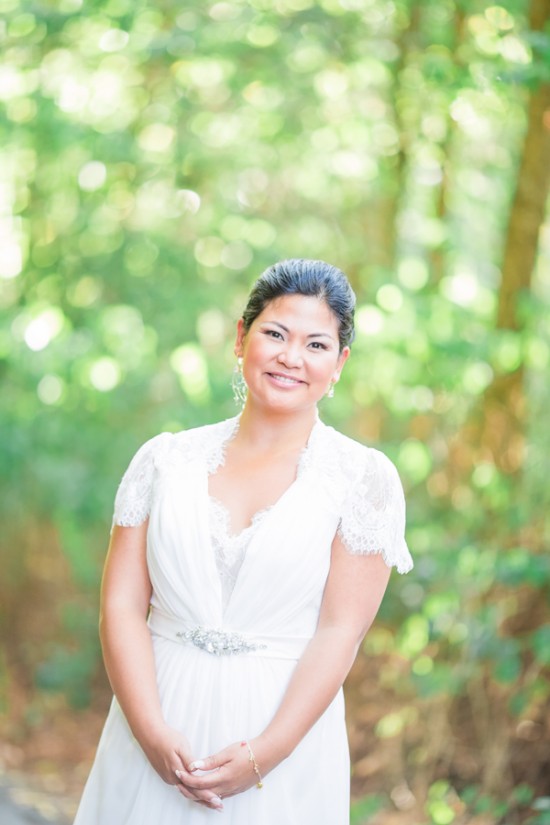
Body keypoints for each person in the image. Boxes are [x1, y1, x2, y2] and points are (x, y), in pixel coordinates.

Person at [73, 258, 413, 825]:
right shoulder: (163, 460)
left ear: (340, 363)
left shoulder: (363, 479)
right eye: (275, 334)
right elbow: (121, 605)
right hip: (155, 719)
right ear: (241, 338)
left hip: (282, 738)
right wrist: (151, 732)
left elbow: (340, 631)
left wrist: (265, 754)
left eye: (316, 344)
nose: (291, 357)